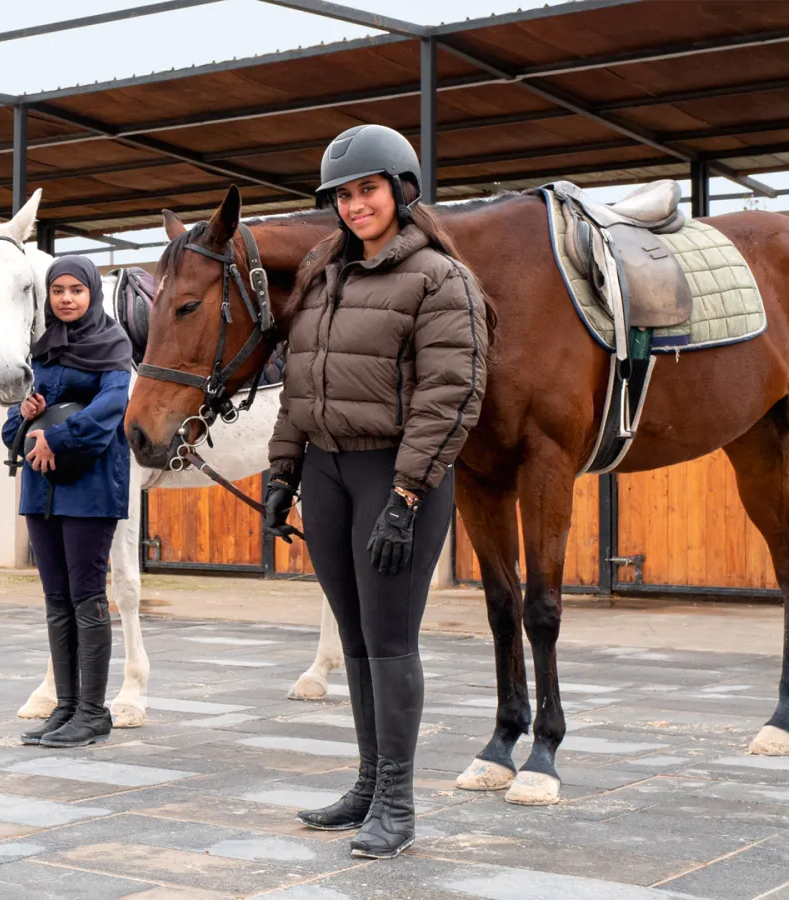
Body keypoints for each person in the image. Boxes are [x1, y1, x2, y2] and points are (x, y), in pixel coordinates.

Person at [263, 124, 489, 859]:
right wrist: (283, 471)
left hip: (393, 477)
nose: (356, 205)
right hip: (328, 474)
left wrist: (409, 494)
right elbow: (300, 385)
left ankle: (397, 804)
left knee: (390, 643)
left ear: (401, 190)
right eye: (345, 194)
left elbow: (450, 395)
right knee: (353, 640)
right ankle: (367, 784)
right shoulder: (324, 275)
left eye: (367, 189)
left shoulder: (440, 279)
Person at [2, 256, 133, 749]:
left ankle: (94, 712)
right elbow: (11, 433)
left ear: (92, 293)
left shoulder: (113, 345)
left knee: (86, 595)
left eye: (76, 289)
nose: (66, 298)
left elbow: (111, 409)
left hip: (90, 488)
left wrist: (58, 435)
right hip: (41, 490)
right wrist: (25, 413)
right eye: (57, 290)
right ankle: (67, 707)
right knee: (56, 599)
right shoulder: (43, 350)